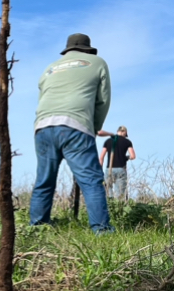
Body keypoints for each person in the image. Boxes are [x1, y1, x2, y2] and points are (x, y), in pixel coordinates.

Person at [28, 34, 114, 233]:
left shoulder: (49, 69)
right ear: (88, 50)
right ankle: (101, 230)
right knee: (91, 180)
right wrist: (93, 127)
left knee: (44, 179)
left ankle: (37, 229)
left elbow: (42, 97)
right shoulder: (98, 63)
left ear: (67, 51)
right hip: (76, 124)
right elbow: (103, 100)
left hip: (43, 125)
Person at [100, 126, 136, 200]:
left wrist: (100, 170)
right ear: (125, 133)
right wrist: (126, 158)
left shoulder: (108, 141)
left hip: (109, 169)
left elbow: (101, 157)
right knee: (119, 196)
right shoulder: (127, 142)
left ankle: (110, 208)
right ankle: (118, 209)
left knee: (108, 193)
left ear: (118, 132)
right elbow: (133, 156)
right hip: (121, 169)